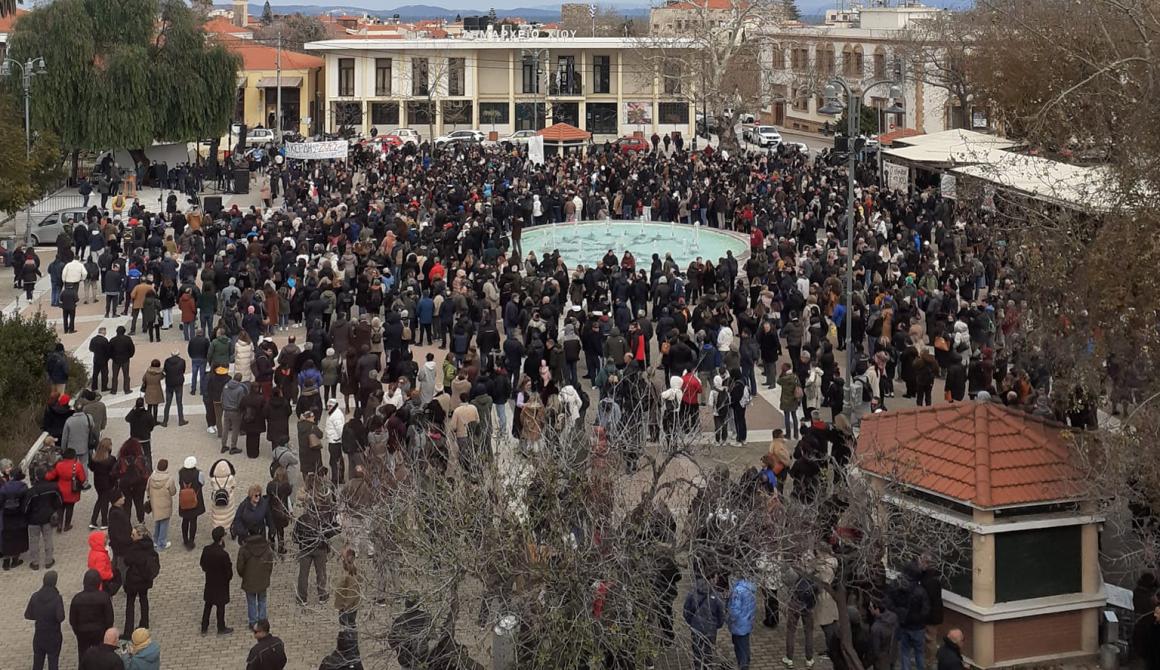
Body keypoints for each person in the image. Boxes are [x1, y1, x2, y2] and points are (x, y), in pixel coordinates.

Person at [121, 525, 160, 635]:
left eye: (133, 535)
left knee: (130, 604)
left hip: (133, 580)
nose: (131, 536)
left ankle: (128, 631)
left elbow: (127, 561)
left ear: (140, 535)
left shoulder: (134, 548)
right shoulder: (149, 546)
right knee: (144, 600)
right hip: (145, 580)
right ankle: (145, 623)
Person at [69, 570, 114, 661]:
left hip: (83, 633)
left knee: (83, 655)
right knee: (100, 657)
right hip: (100, 632)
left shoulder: (77, 598)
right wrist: (106, 630)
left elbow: (73, 619)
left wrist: (78, 631)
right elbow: (109, 618)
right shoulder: (104, 597)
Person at [25, 569, 65, 670]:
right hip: (53, 636)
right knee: (53, 662)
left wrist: (39, 616)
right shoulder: (57, 598)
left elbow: (28, 615)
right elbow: (60, 618)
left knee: (37, 664)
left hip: (39, 635)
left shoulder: (35, 596)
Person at [683, 575, 725, 670]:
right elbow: (721, 615)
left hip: (696, 627)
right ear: (712, 579)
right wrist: (716, 625)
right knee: (708, 652)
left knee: (697, 652)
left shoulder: (692, 593)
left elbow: (686, 611)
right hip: (710, 629)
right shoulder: (716, 595)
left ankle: (698, 667)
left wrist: (691, 622)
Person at [237, 523, 275, 628]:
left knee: (251, 601)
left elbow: (240, 566)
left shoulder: (244, 548)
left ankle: (253, 622)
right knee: (262, 600)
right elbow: (270, 564)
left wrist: (243, 575)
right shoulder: (266, 547)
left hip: (249, 579)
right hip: (262, 579)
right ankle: (262, 620)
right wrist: (267, 575)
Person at [294, 503, 332, 606]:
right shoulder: (323, 519)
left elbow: (295, 537)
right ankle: (322, 595)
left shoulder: (301, 519)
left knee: (303, 574)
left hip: (305, 549)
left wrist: (303, 542)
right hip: (320, 548)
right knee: (321, 572)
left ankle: (302, 598)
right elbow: (328, 534)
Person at [26, 465, 62, 569]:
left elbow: (25, 507)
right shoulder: (53, 487)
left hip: (33, 520)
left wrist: (27, 516)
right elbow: (59, 501)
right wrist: (53, 510)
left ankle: (35, 563)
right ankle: (49, 561)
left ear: (36, 476)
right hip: (48, 518)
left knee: (33, 541)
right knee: (48, 539)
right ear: (46, 475)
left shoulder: (31, 491)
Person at [200, 526, 235, 635]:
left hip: (210, 581)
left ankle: (204, 627)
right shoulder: (223, 554)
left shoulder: (206, 550)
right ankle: (221, 627)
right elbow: (228, 571)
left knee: (208, 605)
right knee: (220, 606)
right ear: (221, 538)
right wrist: (227, 578)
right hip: (221, 584)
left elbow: (202, 564)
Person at [0, 467, 30, 570]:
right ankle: (15, 560)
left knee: (7, 537)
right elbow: (26, 502)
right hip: (19, 516)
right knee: (18, 537)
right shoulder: (23, 487)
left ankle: (6, 562)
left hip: (6, 517)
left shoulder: (4, 487)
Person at [115, 438, 150, 522]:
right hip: (139, 485)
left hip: (125, 484)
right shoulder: (141, 459)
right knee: (139, 504)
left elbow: (115, 473)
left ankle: (126, 523)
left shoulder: (122, 460)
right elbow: (146, 473)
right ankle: (141, 522)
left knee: (126, 504)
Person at [728, 576, 757, 670]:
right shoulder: (750, 587)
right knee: (745, 646)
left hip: (738, 625)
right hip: (747, 623)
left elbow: (734, 611)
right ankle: (746, 663)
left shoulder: (738, 591)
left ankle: (743, 666)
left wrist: (729, 620)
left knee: (739, 647)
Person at [146, 459, 176, 550]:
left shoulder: (151, 477)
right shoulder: (169, 478)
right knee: (164, 524)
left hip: (155, 504)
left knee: (157, 522)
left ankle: (155, 540)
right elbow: (173, 492)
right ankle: (162, 543)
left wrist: (149, 497)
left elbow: (147, 489)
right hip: (165, 504)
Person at [177, 456, 206, 549]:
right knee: (193, 521)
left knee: (185, 520)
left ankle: (185, 540)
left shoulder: (180, 473)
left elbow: (179, 483)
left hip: (184, 500)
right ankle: (191, 541)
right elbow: (202, 483)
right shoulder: (199, 473)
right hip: (195, 500)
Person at [88, 439, 117, 530]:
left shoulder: (94, 458)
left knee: (101, 499)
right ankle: (103, 522)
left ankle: (94, 521)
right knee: (104, 501)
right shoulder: (111, 459)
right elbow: (114, 472)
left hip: (97, 482)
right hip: (107, 482)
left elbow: (91, 468)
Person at [333, 547, 360, 631]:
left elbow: (352, 592)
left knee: (347, 625)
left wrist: (345, 604)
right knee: (349, 624)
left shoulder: (350, 574)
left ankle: (348, 636)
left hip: (346, 605)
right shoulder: (348, 570)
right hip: (347, 604)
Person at [161, 350, 189, 427]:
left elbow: (165, 371)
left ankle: (165, 421)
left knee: (168, 403)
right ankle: (181, 420)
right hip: (178, 383)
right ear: (178, 354)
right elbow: (183, 371)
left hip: (169, 383)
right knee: (179, 403)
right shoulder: (182, 361)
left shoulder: (167, 361)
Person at [109, 326, 135, 395]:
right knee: (126, 375)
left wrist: (112, 357)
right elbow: (132, 348)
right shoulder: (127, 339)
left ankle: (114, 390)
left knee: (115, 376)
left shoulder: (113, 340)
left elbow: (109, 351)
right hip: (125, 359)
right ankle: (127, 390)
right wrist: (129, 356)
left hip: (115, 360)